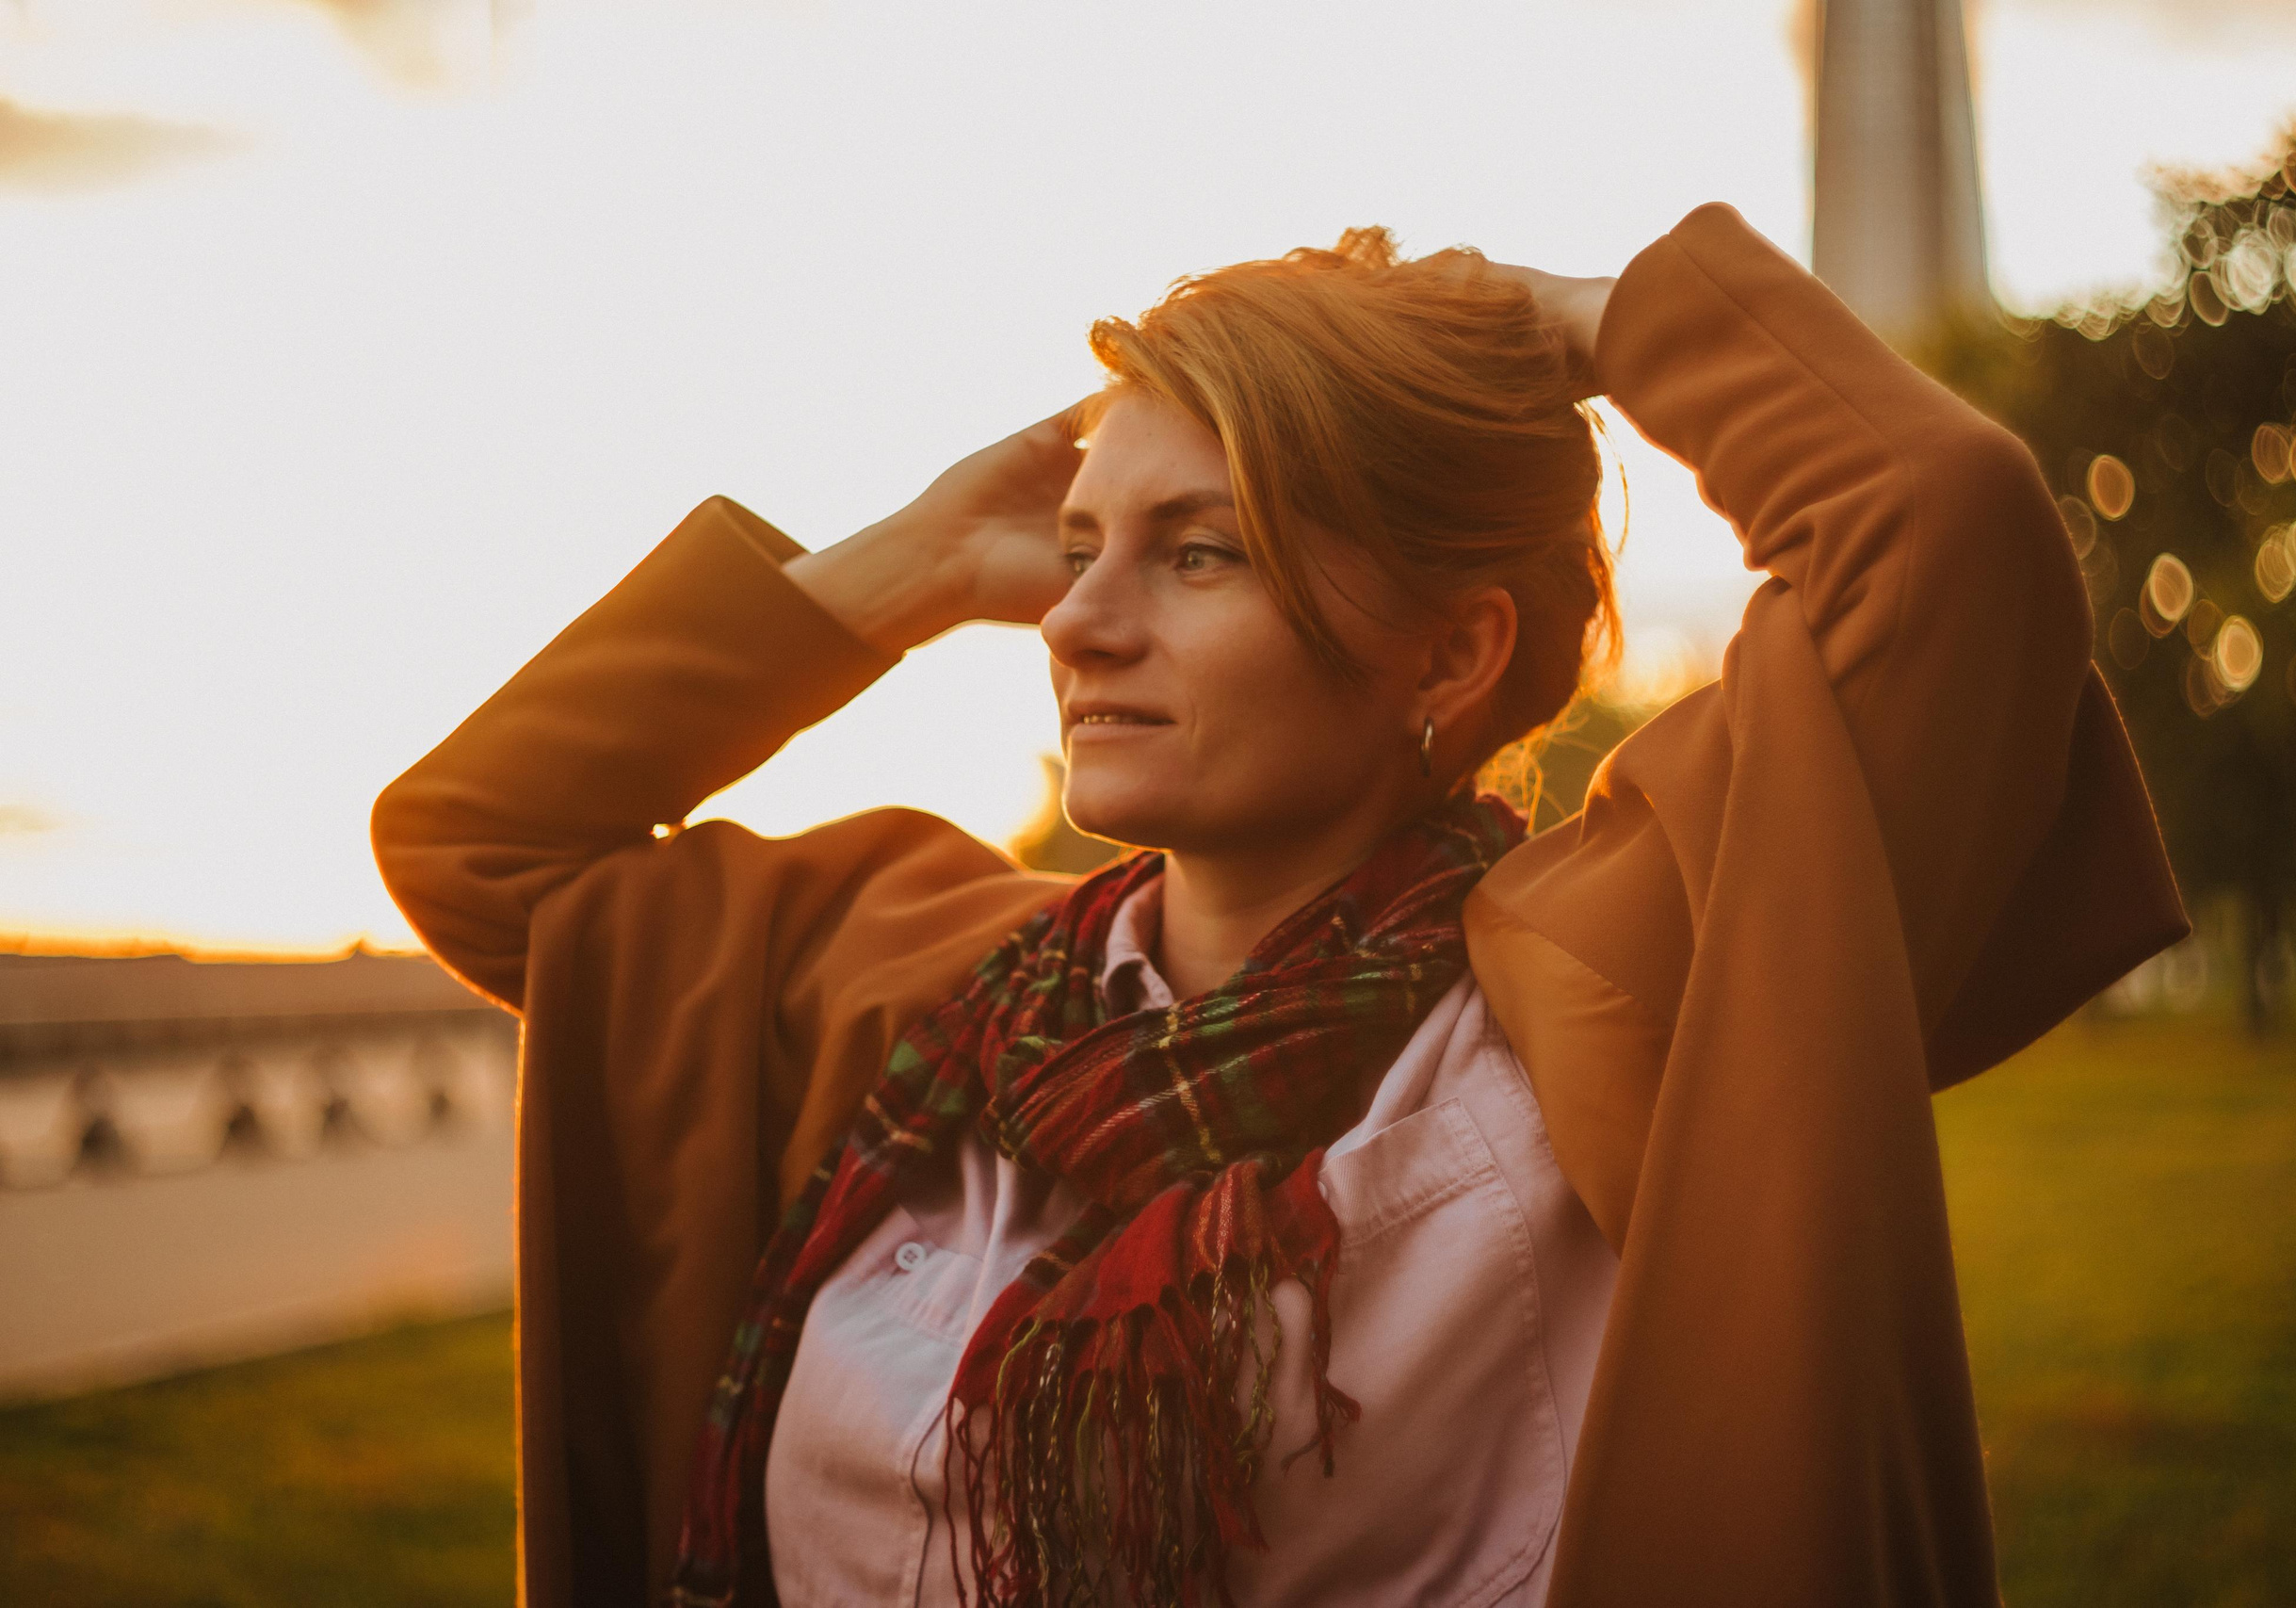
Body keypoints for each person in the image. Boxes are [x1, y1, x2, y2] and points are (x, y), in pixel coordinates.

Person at [372, 203, 2187, 1608]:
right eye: (1081, 547)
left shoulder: (1643, 971)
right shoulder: (924, 988)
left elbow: (1942, 533)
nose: (1078, 622)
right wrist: (913, 563)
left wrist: (1575, 325)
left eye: (1200, 548)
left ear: (1452, 650)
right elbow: (484, 838)